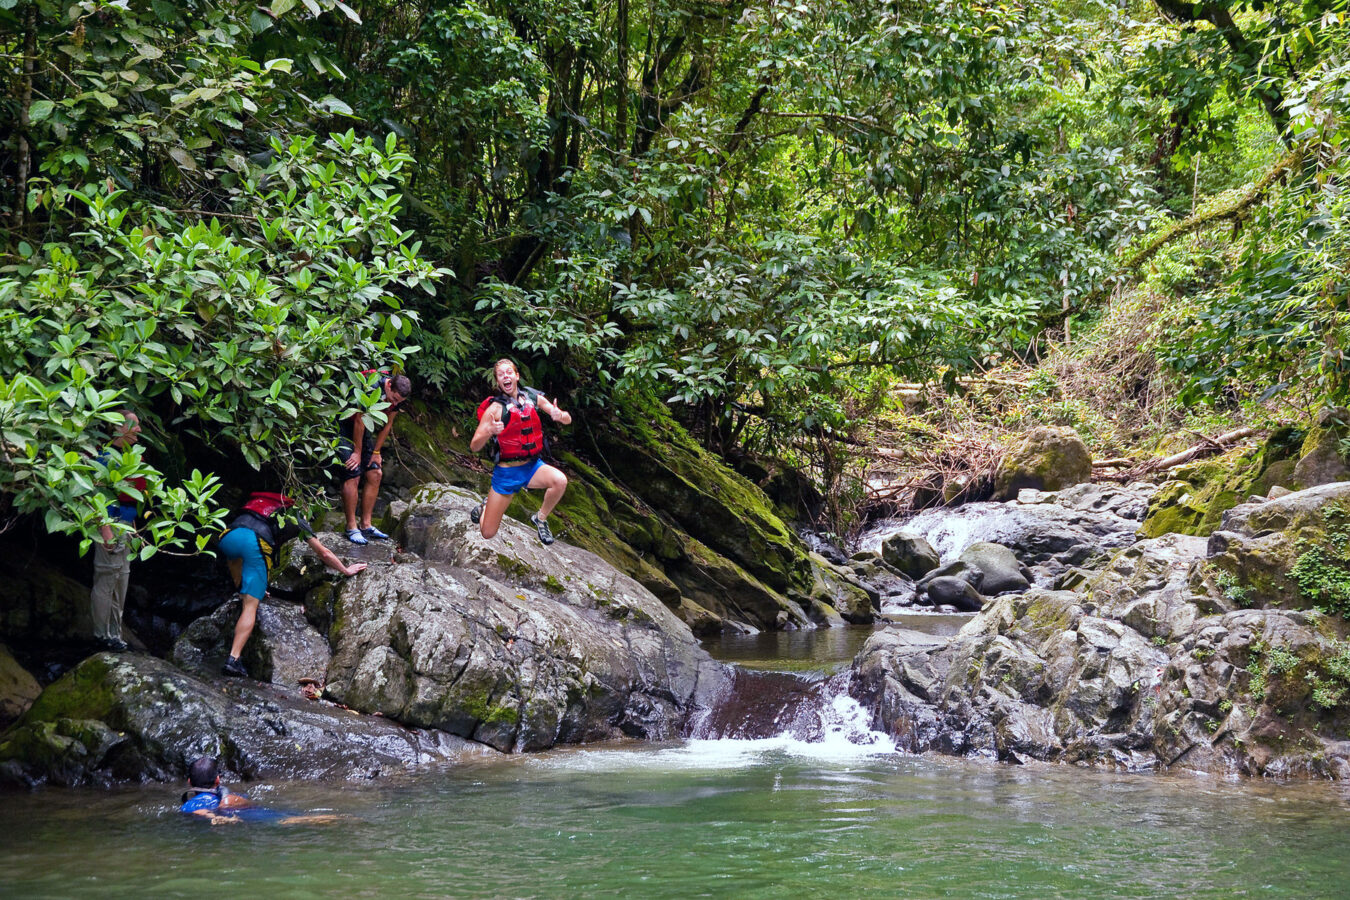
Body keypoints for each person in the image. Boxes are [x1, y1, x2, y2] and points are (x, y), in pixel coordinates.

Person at [218, 491, 367, 678]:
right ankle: (234, 659)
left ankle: (243, 589)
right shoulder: (297, 517)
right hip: (253, 542)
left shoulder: (266, 504)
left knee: (237, 560)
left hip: (228, 536)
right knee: (251, 605)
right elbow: (324, 553)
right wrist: (345, 570)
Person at [468, 359, 572, 545]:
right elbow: (474, 446)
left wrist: (560, 415)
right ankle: (485, 507)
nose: (505, 376)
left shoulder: (533, 398)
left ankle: (540, 519)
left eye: (509, 372)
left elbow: (567, 419)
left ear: (517, 376)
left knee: (560, 480)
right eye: (501, 375)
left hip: (532, 468)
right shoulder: (495, 409)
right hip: (507, 473)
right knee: (487, 533)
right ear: (498, 382)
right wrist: (489, 431)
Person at [91, 411, 144, 653]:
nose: (139, 431)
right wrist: (106, 532)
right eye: (134, 426)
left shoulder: (126, 457)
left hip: (125, 527)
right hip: (110, 527)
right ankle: (102, 635)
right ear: (118, 428)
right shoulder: (104, 458)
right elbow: (97, 498)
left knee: (121, 579)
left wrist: (134, 531)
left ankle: (115, 634)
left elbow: (128, 499)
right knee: (107, 578)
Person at [337, 372, 411, 545]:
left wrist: (376, 452)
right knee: (352, 471)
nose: (394, 403)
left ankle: (366, 524)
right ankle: (351, 527)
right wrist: (357, 452)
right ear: (388, 386)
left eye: (398, 402)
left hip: (364, 430)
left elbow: (388, 424)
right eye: (393, 398)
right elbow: (358, 422)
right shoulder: (372, 388)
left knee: (375, 473)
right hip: (343, 425)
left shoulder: (396, 400)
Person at [180, 756, 342, 825]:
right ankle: (339, 818)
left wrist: (214, 816)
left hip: (238, 818)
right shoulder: (229, 797)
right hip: (257, 815)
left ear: (189, 782)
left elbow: (200, 812)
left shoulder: (188, 805)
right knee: (290, 819)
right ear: (218, 780)